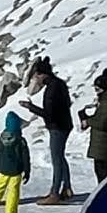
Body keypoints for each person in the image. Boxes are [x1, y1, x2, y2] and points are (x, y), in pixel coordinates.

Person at [22, 57, 74, 204]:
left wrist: (31, 107)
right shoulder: (59, 84)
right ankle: (67, 188)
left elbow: (49, 113)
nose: (35, 79)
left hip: (57, 126)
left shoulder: (51, 89)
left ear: (43, 75)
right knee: (60, 157)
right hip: (64, 124)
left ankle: (54, 193)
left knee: (56, 159)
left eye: (36, 75)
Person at [0, 111, 31, 213]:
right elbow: (25, 157)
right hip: (16, 171)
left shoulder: (1, 139)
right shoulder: (21, 141)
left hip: (3, 170)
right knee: (13, 191)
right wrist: (27, 171)